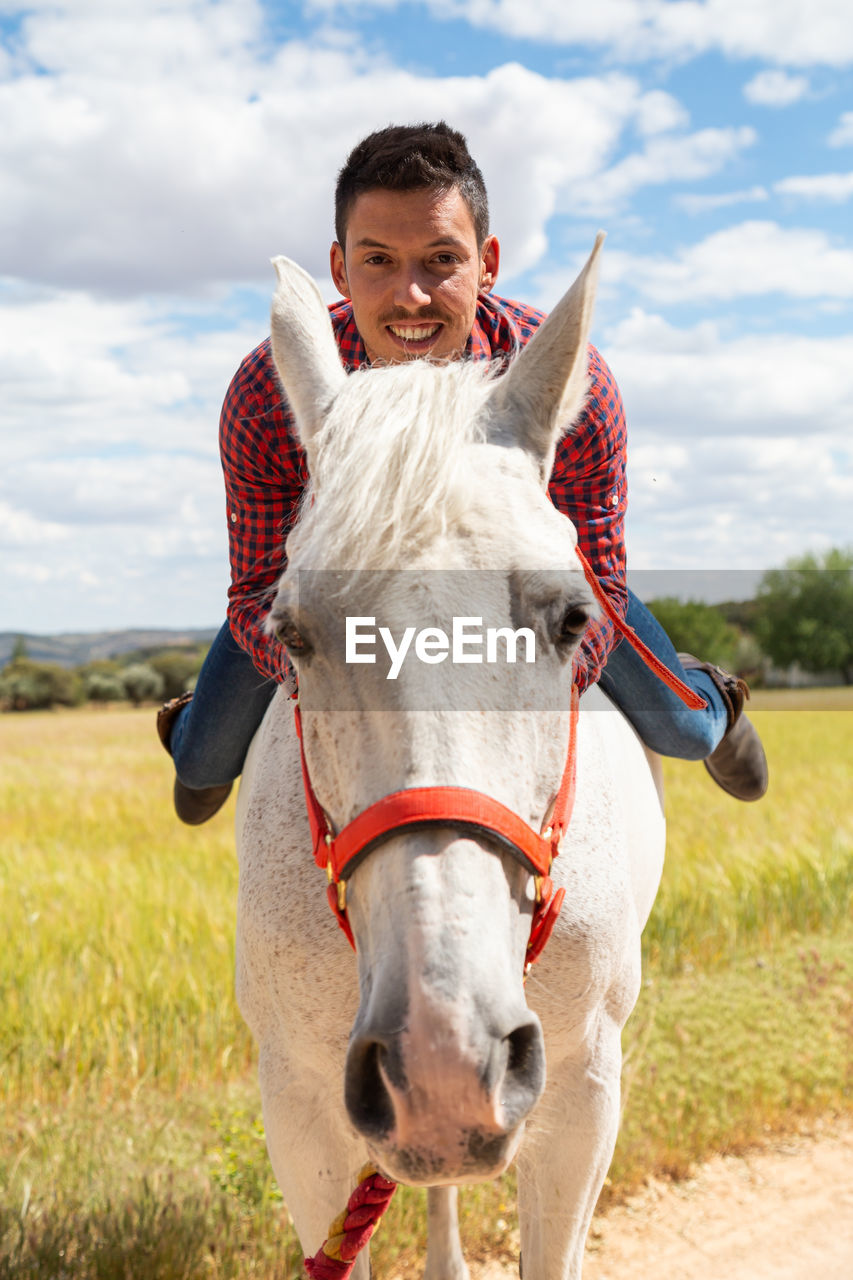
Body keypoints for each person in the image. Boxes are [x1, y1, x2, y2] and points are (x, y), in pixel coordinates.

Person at [157, 122, 768, 824]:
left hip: (518, 594)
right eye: (378, 260)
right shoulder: (270, 390)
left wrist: (476, 661)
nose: (410, 296)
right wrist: (358, 668)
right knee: (201, 765)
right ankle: (190, 719)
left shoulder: (569, 378)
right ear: (338, 268)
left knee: (682, 733)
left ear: (487, 262)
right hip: (341, 603)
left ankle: (713, 697)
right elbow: (258, 590)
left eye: (441, 259)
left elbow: (593, 575)